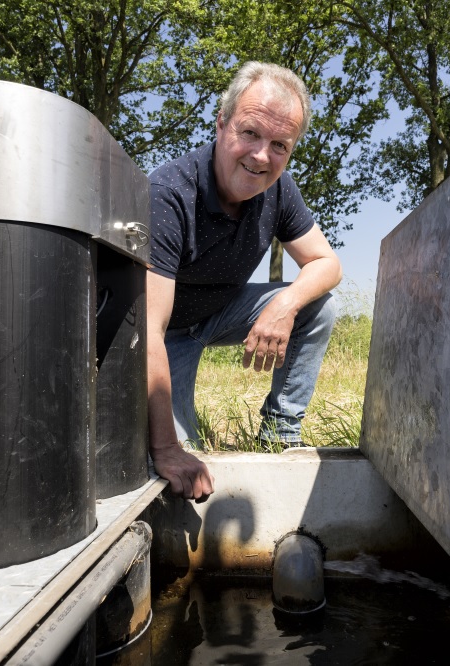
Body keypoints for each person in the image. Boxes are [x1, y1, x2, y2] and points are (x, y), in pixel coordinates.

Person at [146, 62, 342, 502]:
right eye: (249, 133)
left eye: (279, 145)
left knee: (319, 304)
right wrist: (164, 448)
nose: (260, 156)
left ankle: (279, 433)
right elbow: (147, 331)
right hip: (165, 334)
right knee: (180, 469)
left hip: (218, 314)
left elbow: (327, 263)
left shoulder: (280, 190)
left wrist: (284, 304)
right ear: (221, 124)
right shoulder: (167, 195)